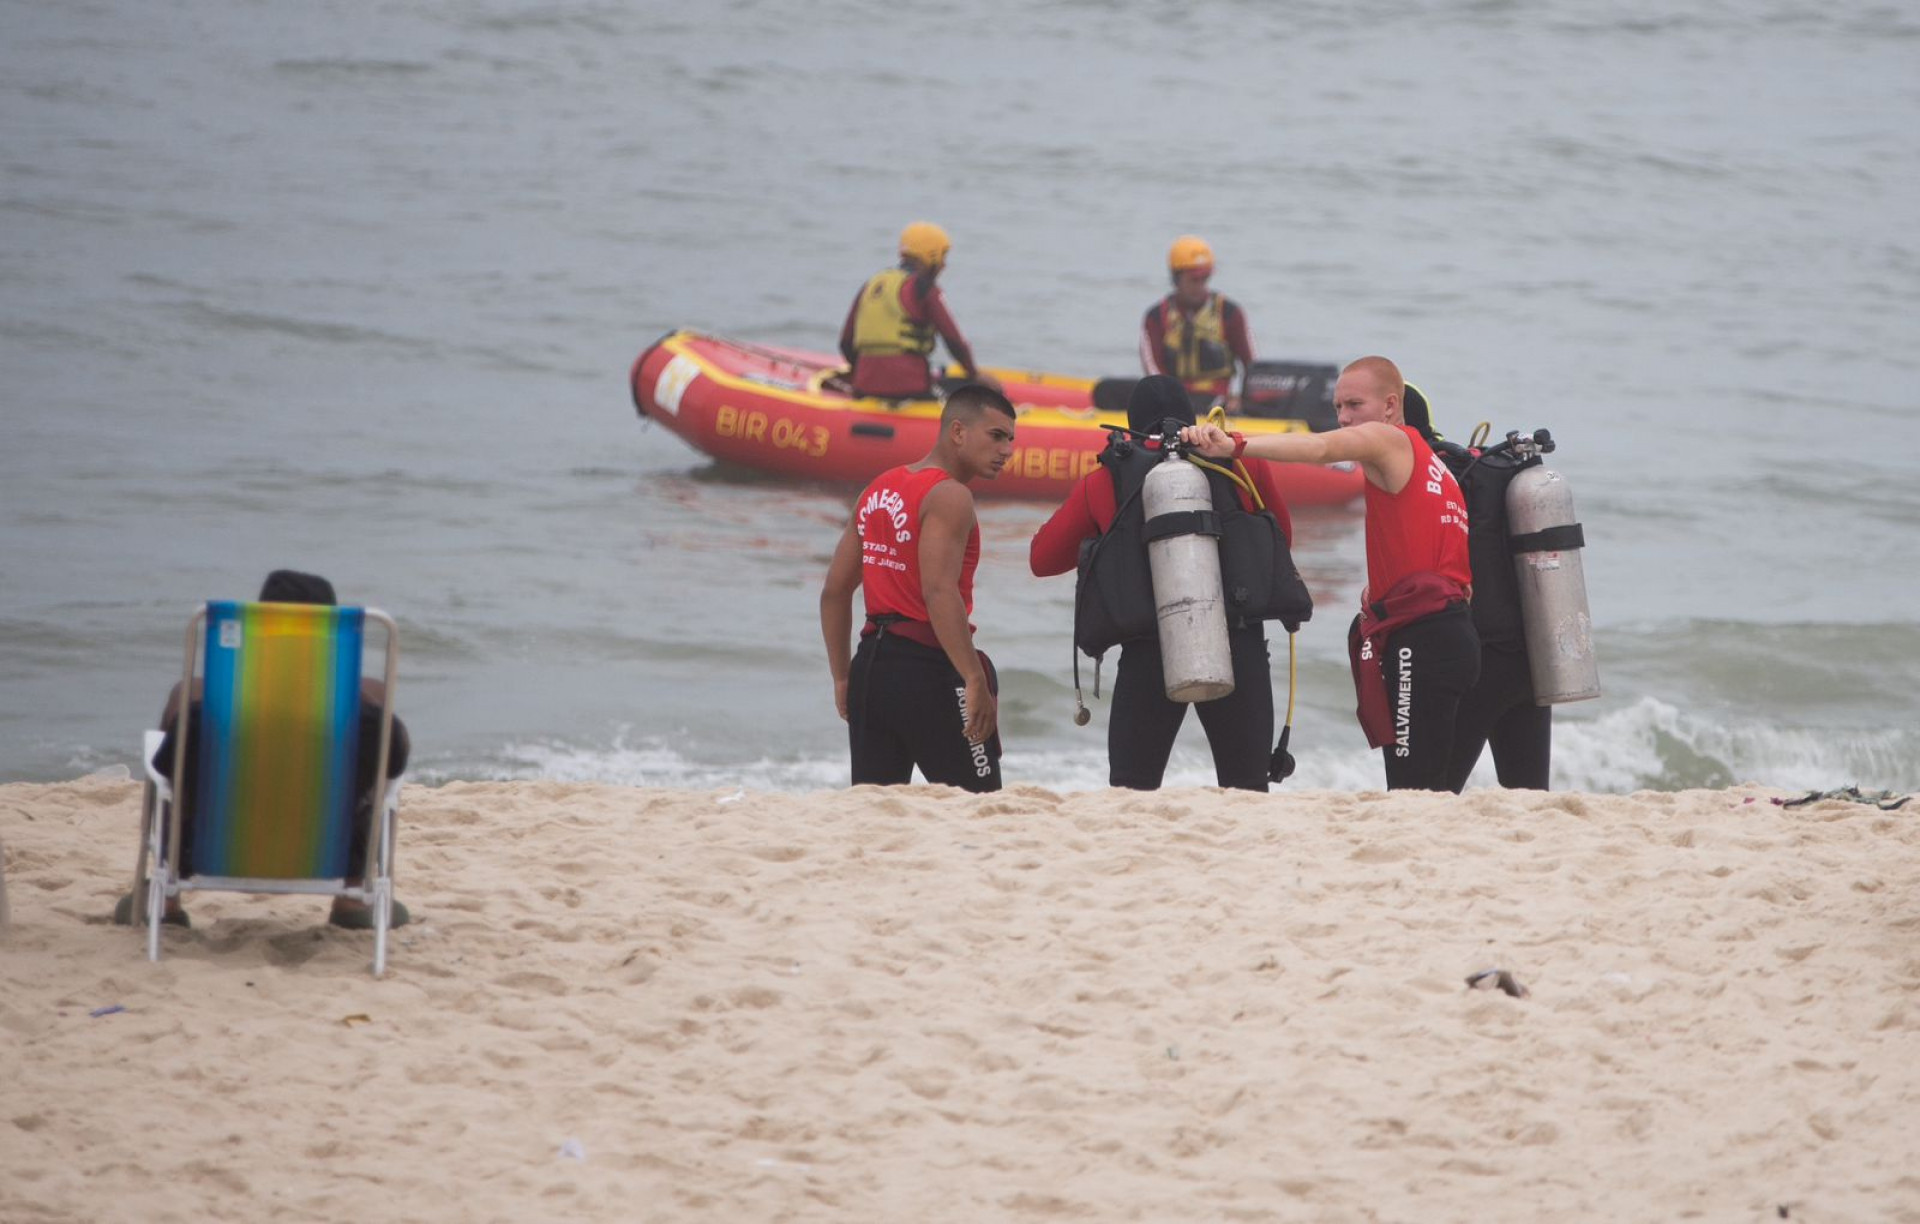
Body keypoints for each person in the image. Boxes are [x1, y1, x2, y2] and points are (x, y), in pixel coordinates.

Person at [1182, 356, 1478, 790]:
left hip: (1424, 640)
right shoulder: (1433, 465)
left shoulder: (1388, 439)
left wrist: (1234, 444)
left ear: (1391, 406)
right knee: (1436, 790)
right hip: (1455, 635)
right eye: (1339, 406)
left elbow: (1320, 449)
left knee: (1411, 795)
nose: (1343, 417)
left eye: (1355, 405)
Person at [1029, 375, 1311, 791]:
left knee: (1131, 789)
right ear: (1192, 416)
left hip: (1148, 652)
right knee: (1246, 788)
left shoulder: (1106, 479)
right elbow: (1280, 538)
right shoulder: (1242, 463)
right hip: (1238, 644)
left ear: (1130, 424)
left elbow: (1042, 560)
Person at [111, 570, 412, 929]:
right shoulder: (364, 719)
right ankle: (351, 899)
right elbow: (393, 767)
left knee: (176, 777)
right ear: (332, 639)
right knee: (372, 782)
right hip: (335, 853)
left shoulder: (207, 713)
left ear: (261, 629)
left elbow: (164, 767)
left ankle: (167, 899)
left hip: (211, 848)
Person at [820, 384, 1017, 791]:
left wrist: (842, 678)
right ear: (958, 432)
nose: (1007, 450)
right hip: (926, 670)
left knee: (879, 815)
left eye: (1010, 439)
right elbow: (938, 591)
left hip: (870, 670)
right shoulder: (950, 496)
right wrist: (974, 678)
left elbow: (835, 591)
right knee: (980, 807)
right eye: (996, 436)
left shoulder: (879, 488)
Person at [1400, 387, 1553, 791]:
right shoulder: (1471, 469)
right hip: (1531, 652)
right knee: (1531, 798)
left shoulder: (1421, 476)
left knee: (1429, 793)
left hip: (1479, 659)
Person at [838, 222, 998, 400]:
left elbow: (846, 343)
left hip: (865, 386)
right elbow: (954, 341)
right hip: (911, 388)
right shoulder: (922, 288)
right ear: (931, 256)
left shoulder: (872, 284)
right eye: (943, 257)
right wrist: (974, 374)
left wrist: (867, 374)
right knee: (985, 392)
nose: (944, 265)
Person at [1139, 235, 1256, 413]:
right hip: (1175, 403)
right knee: (1109, 391)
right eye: (1193, 280)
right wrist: (1170, 402)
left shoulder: (1229, 312)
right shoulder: (1156, 317)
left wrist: (1242, 397)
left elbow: (1252, 365)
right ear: (1176, 279)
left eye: (1205, 279)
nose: (1200, 287)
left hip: (1219, 405)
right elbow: (1153, 370)